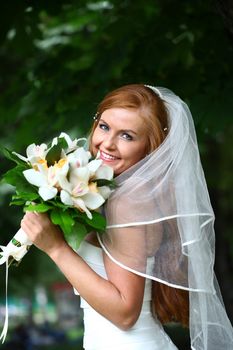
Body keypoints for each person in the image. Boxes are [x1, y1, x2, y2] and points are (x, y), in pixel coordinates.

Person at [21, 84, 233, 350]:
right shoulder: (117, 194)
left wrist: (56, 248)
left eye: (127, 136)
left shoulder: (127, 203)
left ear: (150, 146)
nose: (107, 143)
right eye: (105, 126)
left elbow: (125, 312)